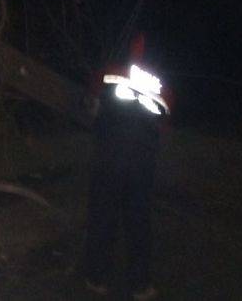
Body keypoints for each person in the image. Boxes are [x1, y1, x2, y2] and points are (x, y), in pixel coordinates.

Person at [83, 33, 170, 301]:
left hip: (110, 160)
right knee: (138, 225)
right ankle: (140, 285)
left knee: (103, 219)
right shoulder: (162, 85)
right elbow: (163, 124)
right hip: (141, 165)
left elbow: (93, 107)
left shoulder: (109, 72)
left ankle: (97, 277)